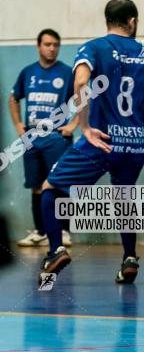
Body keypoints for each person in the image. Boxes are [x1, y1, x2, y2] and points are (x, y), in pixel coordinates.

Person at [38, 0, 144, 284]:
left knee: (51, 186)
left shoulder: (94, 48)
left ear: (107, 20)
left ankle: (56, 249)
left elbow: (82, 83)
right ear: (132, 21)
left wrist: (84, 126)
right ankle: (130, 258)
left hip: (101, 140)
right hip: (134, 145)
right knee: (124, 197)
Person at [8, 29, 76, 247]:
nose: (52, 48)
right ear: (38, 46)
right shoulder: (28, 72)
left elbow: (86, 99)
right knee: (36, 185)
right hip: (32, 137)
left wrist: (73, 125)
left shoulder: (67, 73)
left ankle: (64, 231)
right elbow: (13, 98)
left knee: (58, 184)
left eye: (56, 44)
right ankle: (40, 232)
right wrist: (19, 125)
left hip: (57, 138)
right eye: (47, 44)